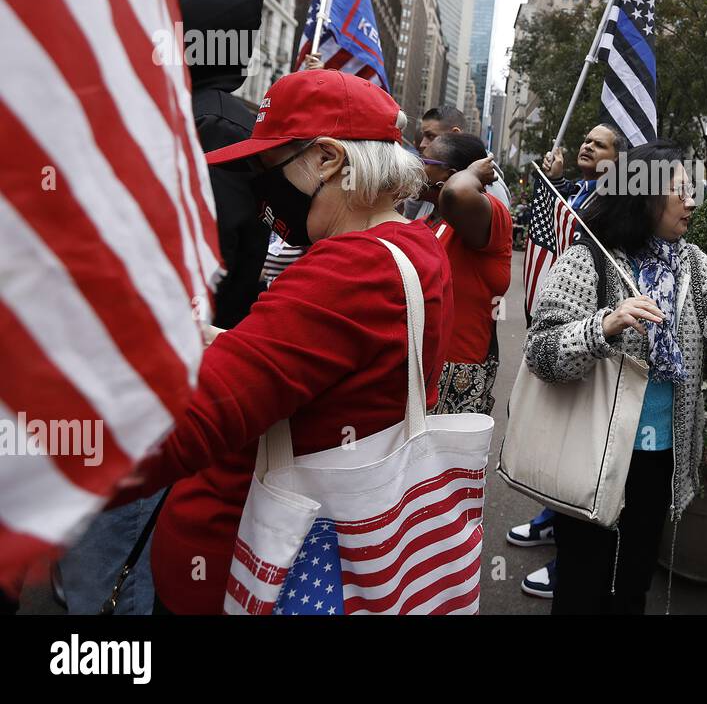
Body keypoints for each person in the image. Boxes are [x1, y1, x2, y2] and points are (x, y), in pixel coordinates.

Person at [108, 69, 452, 614]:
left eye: (268, 168)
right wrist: (220, 342)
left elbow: (181, 429)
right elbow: (329, 376)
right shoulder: (412, 247)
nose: (260, 190)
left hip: (246, 577)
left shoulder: (350, 269)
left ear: (328, 159)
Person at [57, 0, 271, 615]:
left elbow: (210, 271)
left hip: (155, 385)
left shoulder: (213, 132)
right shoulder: (199, 118)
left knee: (116, 569)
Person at [523, 141, 707, 614]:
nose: (691, 202)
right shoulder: (590, 259)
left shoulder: (689, 262)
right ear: (642, 196)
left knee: (633, 585)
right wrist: (602, 327)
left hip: (659, 459)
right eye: (679, 191)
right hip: (596, 456)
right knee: (583, 584)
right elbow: (541, 354)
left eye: (692, 191)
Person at [511, 122, 627, 598]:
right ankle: (551, 517)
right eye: (586, 139)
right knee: (554, 435)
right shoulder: (575, 194)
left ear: (619, 162)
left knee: (579, 451)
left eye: (599, 144)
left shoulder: (615, 207)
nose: (586, 145)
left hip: (594, 342)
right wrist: (553, 183)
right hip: (557, 326)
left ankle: (567, 557)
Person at [420, 133, 513, 414]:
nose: (416, 166)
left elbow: (456, 193)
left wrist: (472, 173)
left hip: (457, 372)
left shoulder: (489, 216)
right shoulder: (428, 221)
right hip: (422, 364)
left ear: (448, 175)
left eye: (424, 161)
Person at [420, 104, 512, 207]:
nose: (422, 144)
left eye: (430, 136)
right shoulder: (434, 176)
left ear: (455, 134)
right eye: (423, 136)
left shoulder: (489, 183)